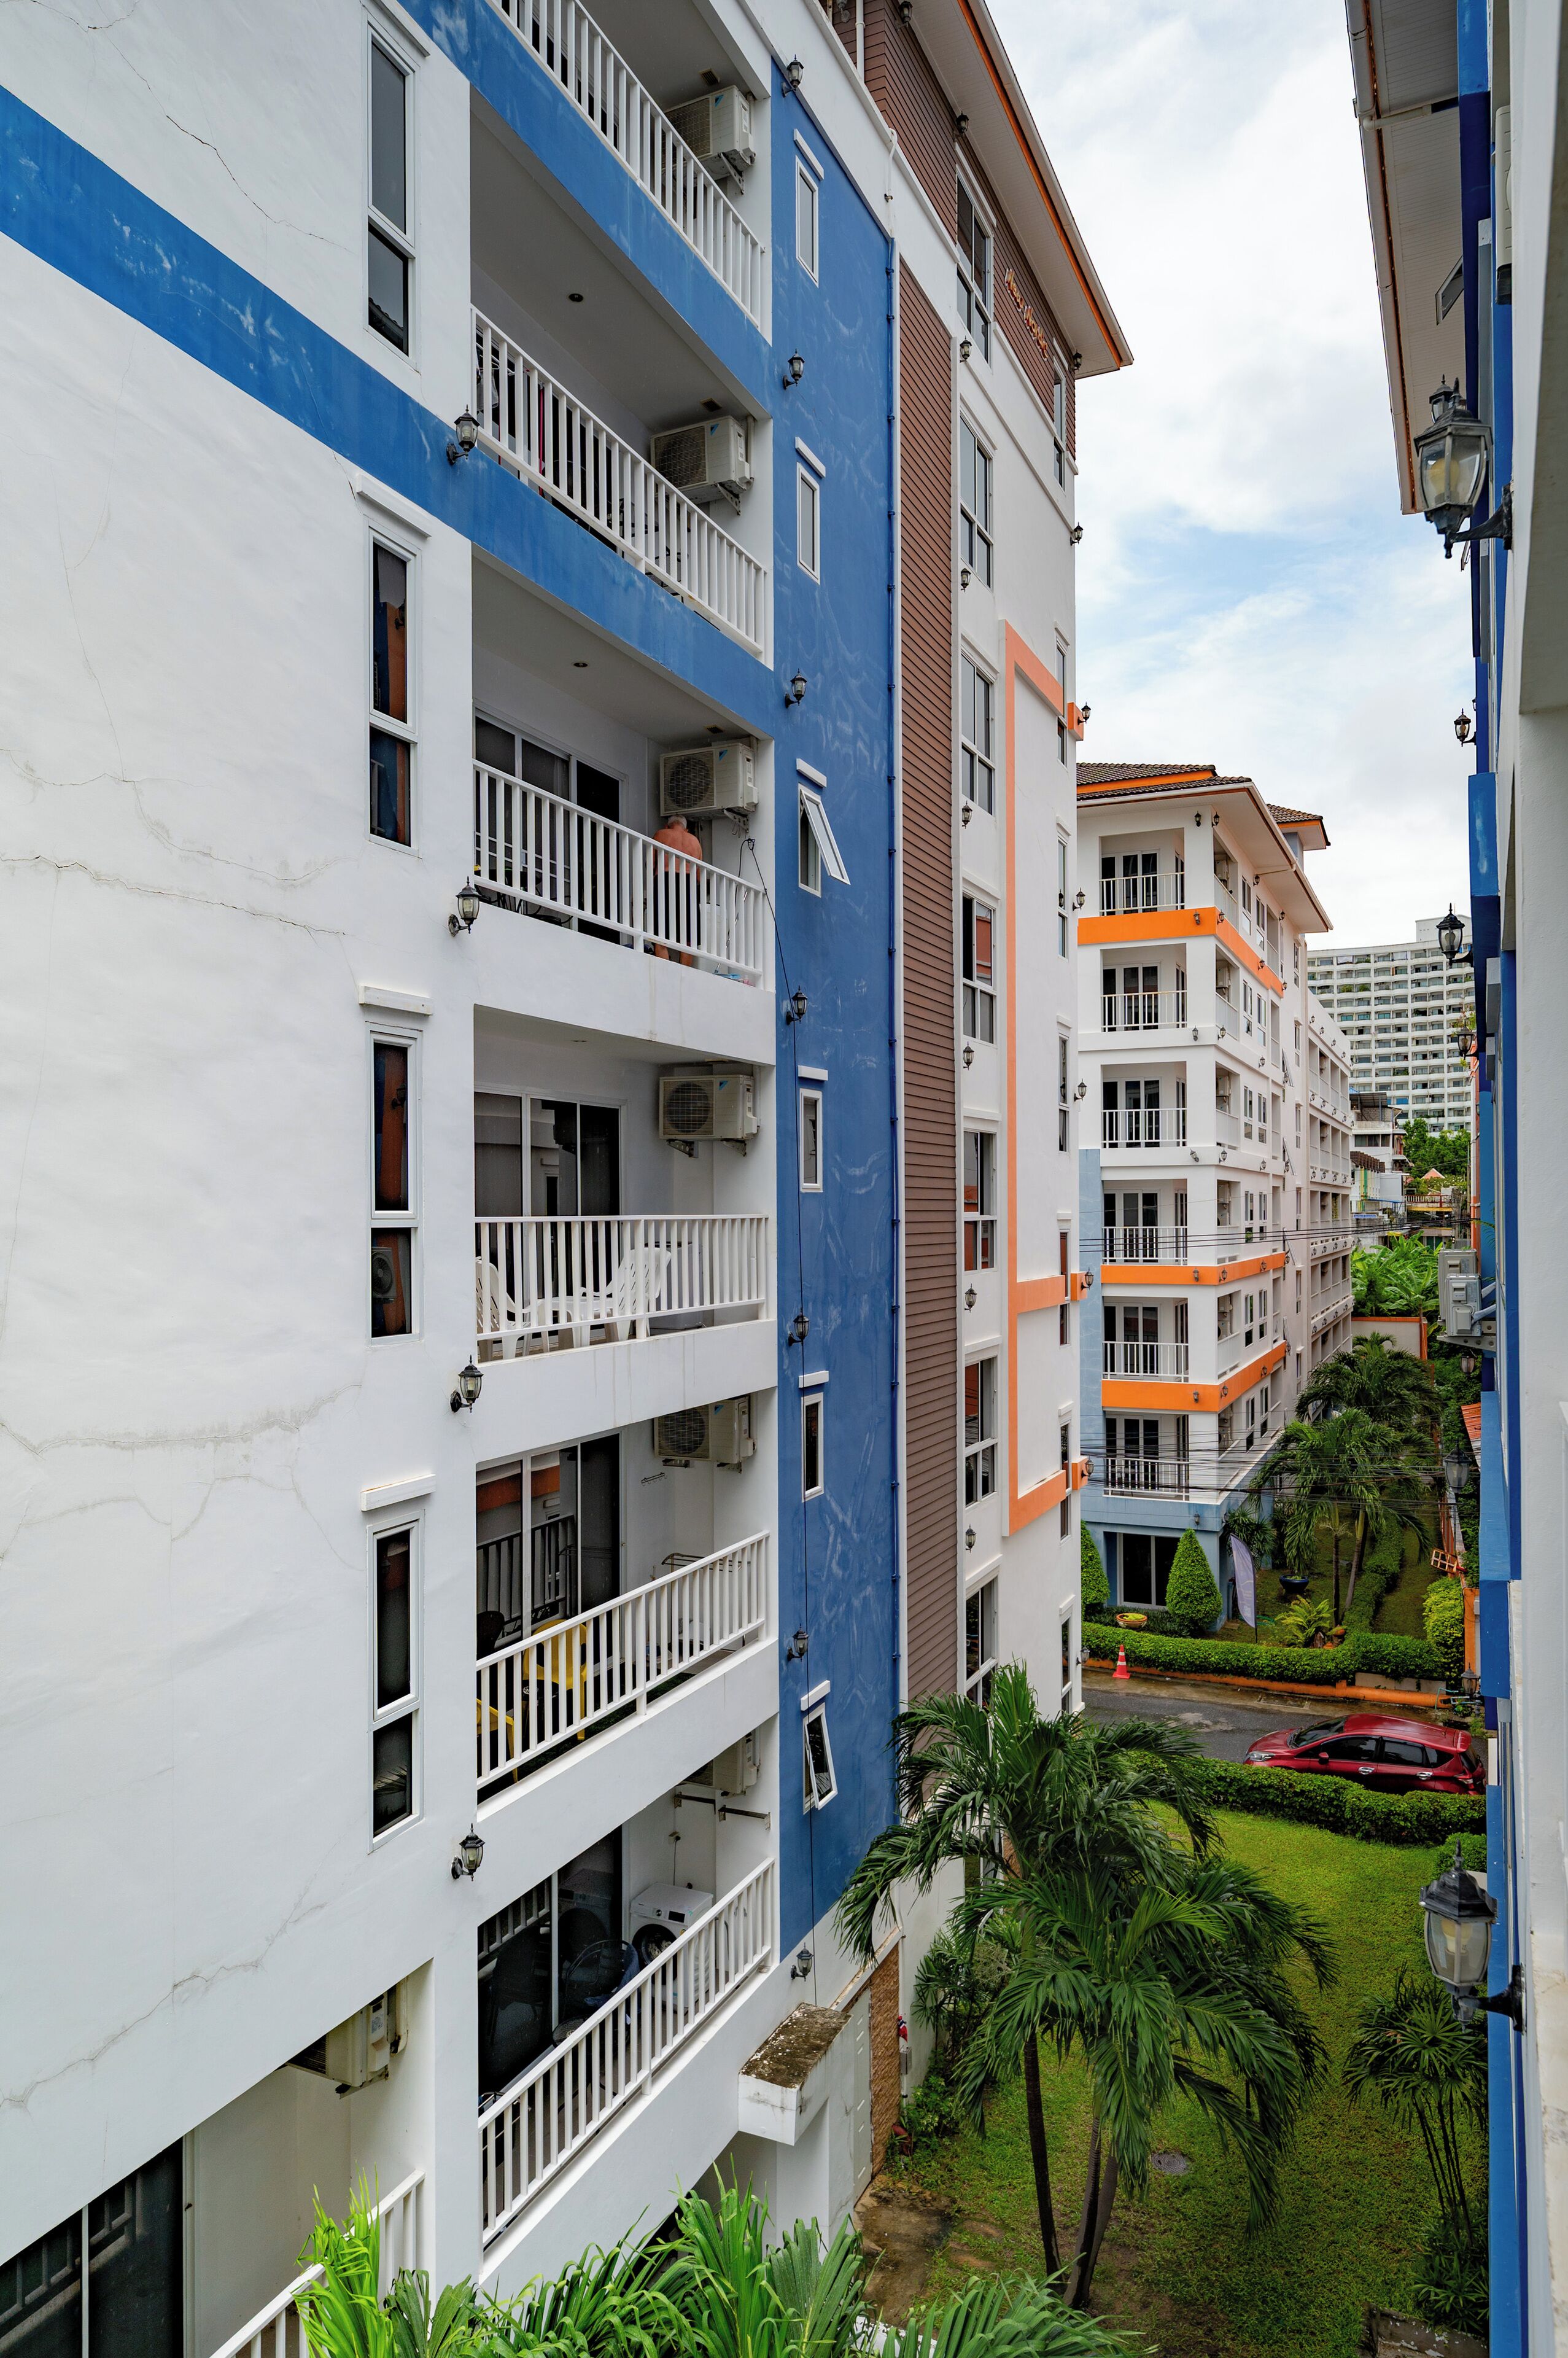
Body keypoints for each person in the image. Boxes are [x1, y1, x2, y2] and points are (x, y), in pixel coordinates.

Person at [650, 808, 702, 963]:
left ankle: (664, 970)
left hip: (665, 881)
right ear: (686, 830)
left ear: (668, 826)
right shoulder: (695, 841)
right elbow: (698, 874)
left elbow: (651, 864)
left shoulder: (661, 834)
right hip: (689, 884)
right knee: (688, 937)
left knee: (661, 933)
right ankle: (684, 972)